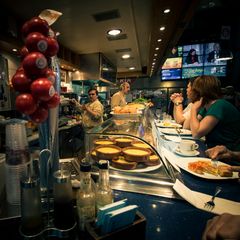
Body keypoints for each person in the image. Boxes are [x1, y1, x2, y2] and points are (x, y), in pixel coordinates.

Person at [190, 75, 240, 151]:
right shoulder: (206, 107)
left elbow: (196, 134)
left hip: (228, 156)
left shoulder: (219, 105)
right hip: (214, 152)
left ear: (200, 91)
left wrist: (193, 110)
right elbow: (187, 127)